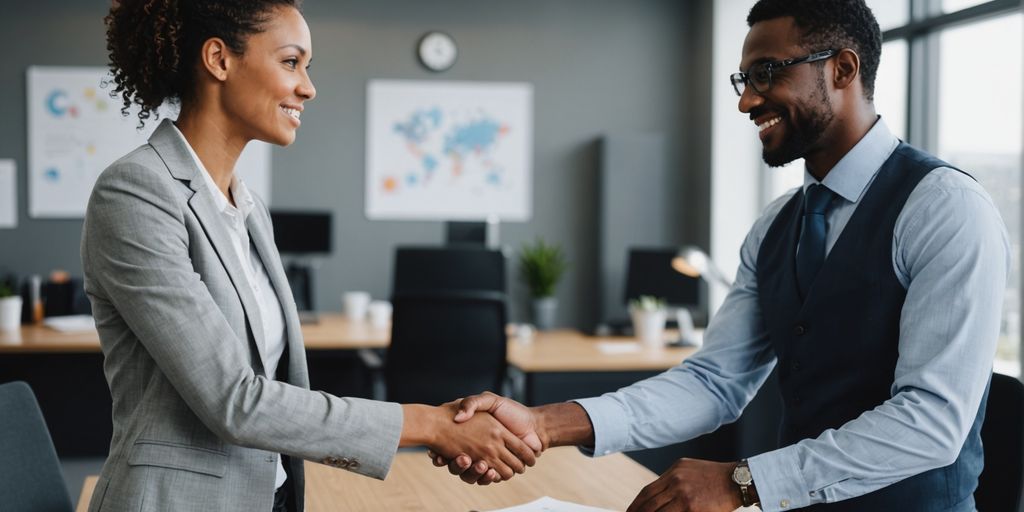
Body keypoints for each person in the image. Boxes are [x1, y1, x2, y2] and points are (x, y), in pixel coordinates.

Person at [434, 0, 1010, 510]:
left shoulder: (945, 208)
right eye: (745, 79)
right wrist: (543, 421)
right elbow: (714, 383)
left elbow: (931, 423)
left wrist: (743, 482)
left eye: (767, 74)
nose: (748, 102)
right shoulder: (777, 225)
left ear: (843, 69)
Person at [83, 1, 538, 511]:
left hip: (270, 494)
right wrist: (429, 424)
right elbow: (233, 399)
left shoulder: (248, 208)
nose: (307, 87)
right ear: (218, 59)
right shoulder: (136, 192)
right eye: (290, 62)